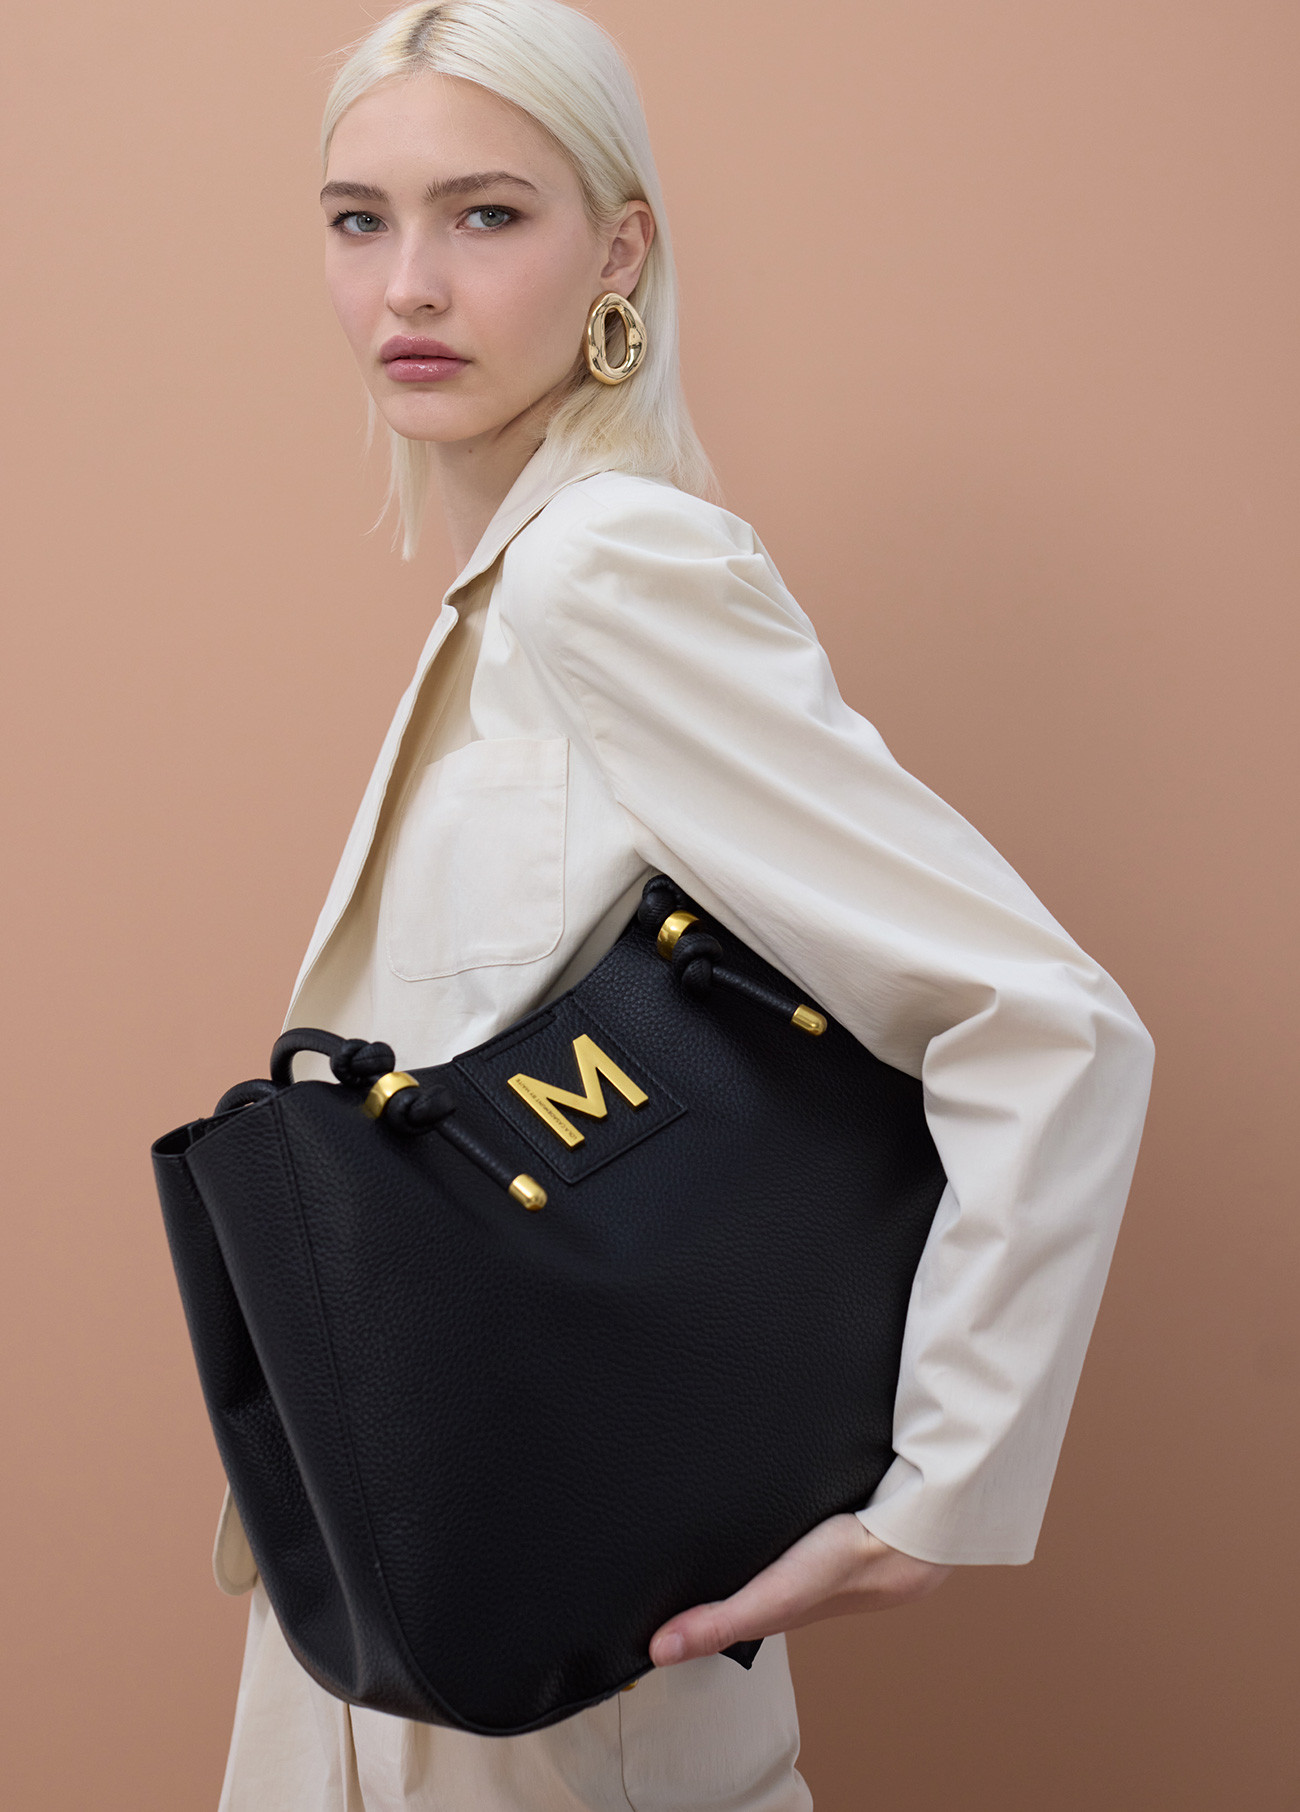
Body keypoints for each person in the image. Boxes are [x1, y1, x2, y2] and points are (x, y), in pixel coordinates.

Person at [213, 2, 1154, 1806]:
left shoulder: (609, 568)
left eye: (488, 214)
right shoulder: (517, 585)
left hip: (558, 1677)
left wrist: (936, 1492)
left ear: (618, 249)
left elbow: (1042, 1019)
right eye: (358, 220)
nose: (409, 284)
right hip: (416, 1607)